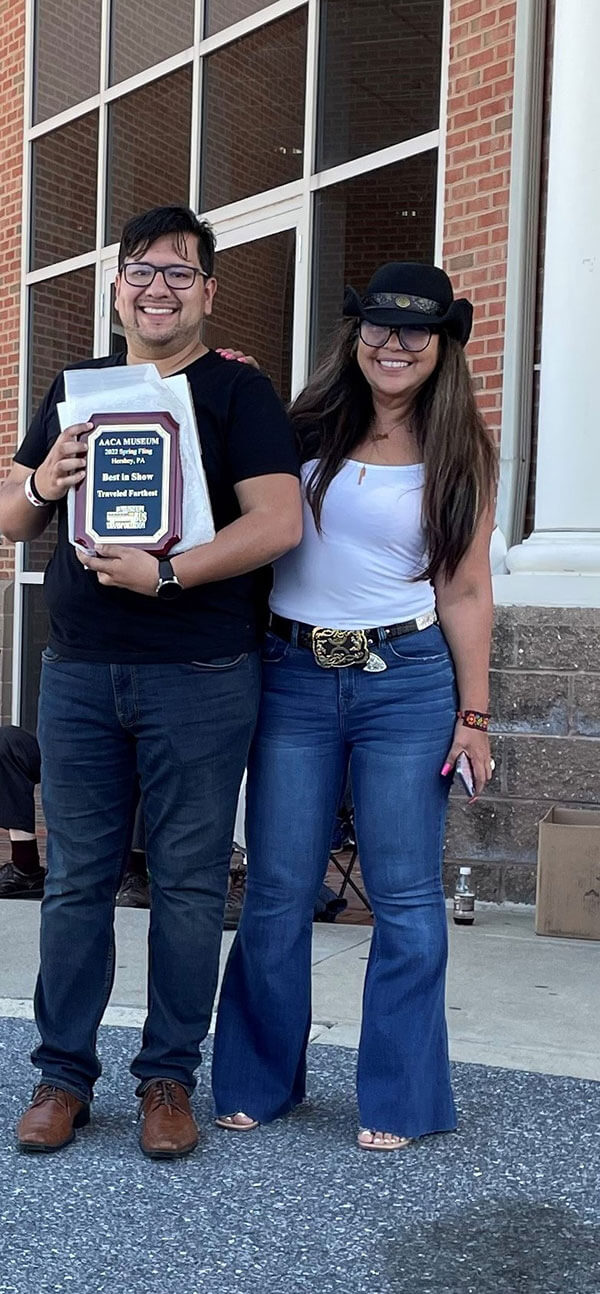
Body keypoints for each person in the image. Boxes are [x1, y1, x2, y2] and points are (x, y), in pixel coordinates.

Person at [0, 204, 301, 1158]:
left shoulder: (239, 394)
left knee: (185, 885)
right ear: (117, 287)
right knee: (75, 881)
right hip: (82, 671)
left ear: (208, 292)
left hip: (203, 672)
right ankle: (62, 1078)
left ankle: (168, 1077)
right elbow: (9, 516)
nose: (158, 286)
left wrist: (171, 572)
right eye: (142, 270)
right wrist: (46, 482)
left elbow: (278, 523)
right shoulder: (77, 387)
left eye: (180, 272)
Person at [212, 261, 496, 1150]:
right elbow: (224, 484)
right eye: (378, 325)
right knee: (277, 890)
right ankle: (260, 1078)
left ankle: (402, 1100)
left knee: (407, 898)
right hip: (293, 676)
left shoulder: (463, 454)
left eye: (416, 329)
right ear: (355, 334)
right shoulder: (298, 427)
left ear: (444, 344)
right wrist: (224, 383)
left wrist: (475, 716)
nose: (394, 344)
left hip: (406, 683)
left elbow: (467, 591)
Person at [0, 725, 44, 898]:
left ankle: (134, 872)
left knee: (136, 755)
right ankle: (25, 868)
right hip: (67, 745)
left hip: (117, 751)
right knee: (6, 741)